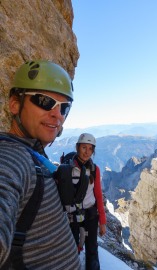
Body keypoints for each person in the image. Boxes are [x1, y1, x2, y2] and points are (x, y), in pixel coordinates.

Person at [0, 60, 81, 269]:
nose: (58, 115)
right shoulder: (11, 158)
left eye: (64, 107)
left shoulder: (33, 153)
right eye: (45, 101)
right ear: (15, 104)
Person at [65, 133, 106, 270]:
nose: (87, 152)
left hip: (90, 214)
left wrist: (103, 222)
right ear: (77, 148)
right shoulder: (67, 168)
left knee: (92, 249)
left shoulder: (95, 169)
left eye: (90, 149)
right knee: (71, 249)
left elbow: (98, 195)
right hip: (71, 216)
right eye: (84, 147)